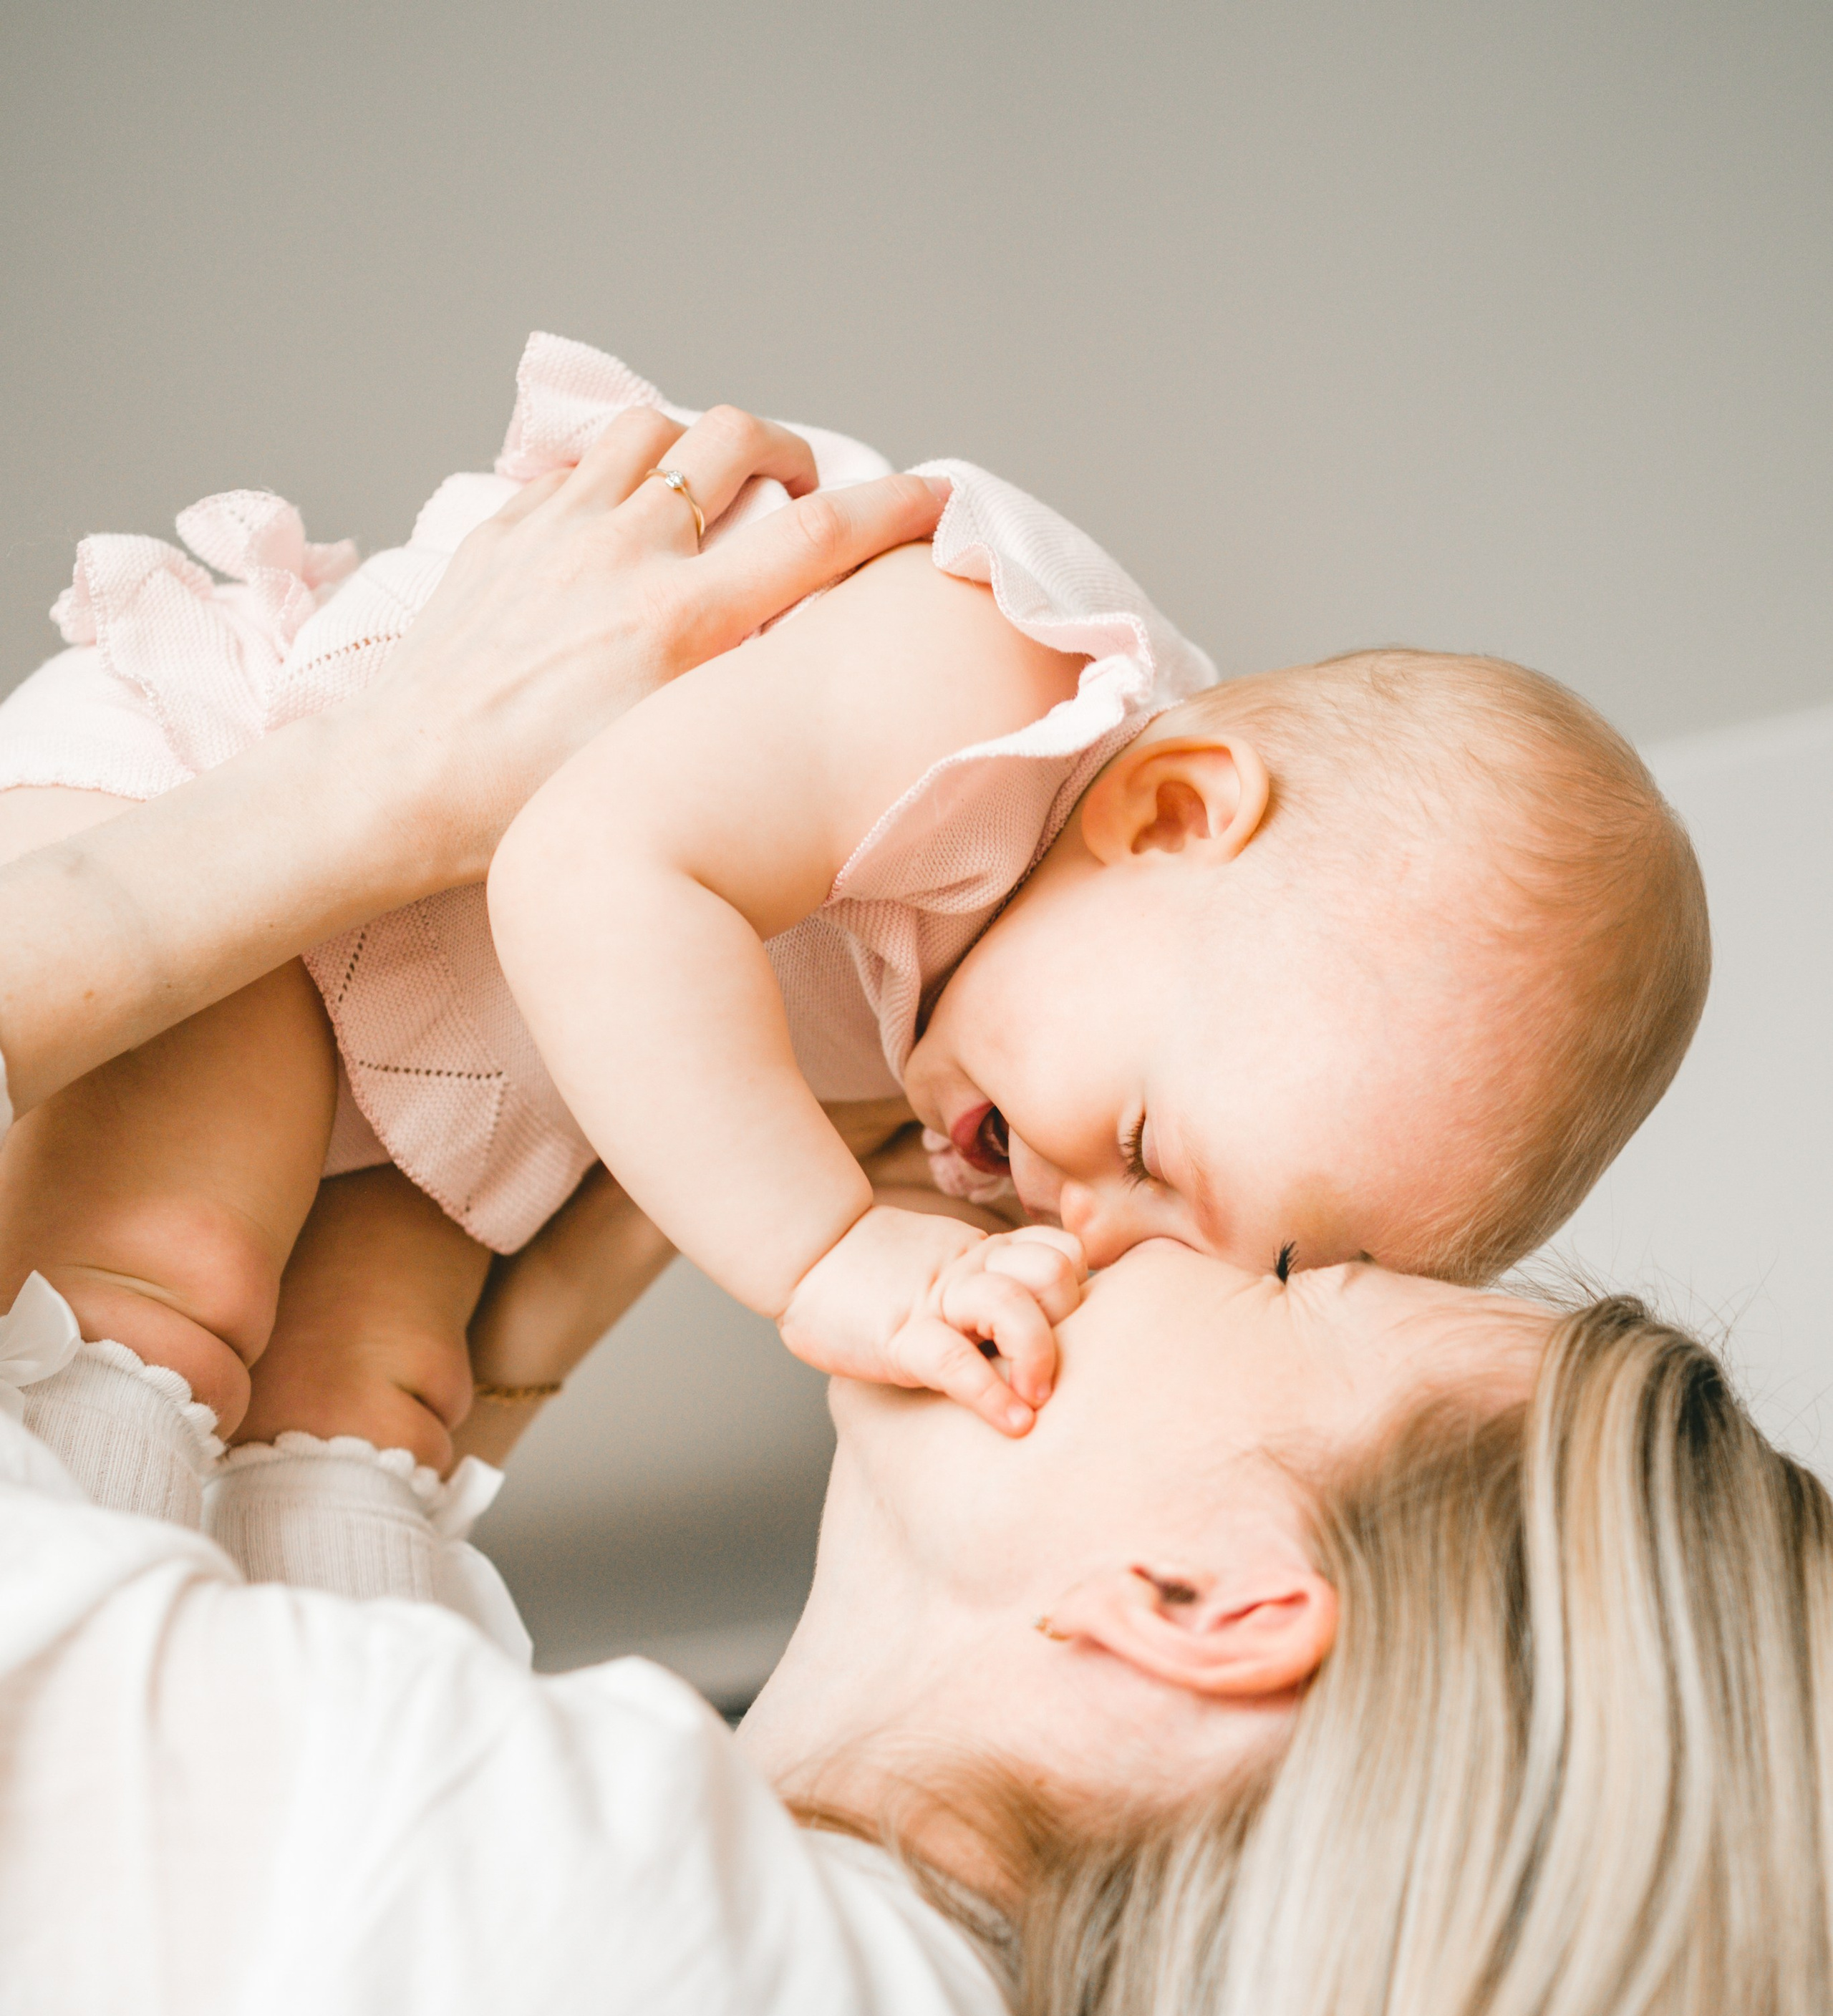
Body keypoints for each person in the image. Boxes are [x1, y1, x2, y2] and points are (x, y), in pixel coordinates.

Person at [1, 396, 1822, 2016]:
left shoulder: (641, 1968)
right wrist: (389, 1408)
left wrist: (338, 811)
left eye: (1268, 1272)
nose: (1079, 1222)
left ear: (1202, 1600)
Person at [0, 331, 1708, 1463]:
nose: (1088, 1224)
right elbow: (592, 866)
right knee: (178, 1276)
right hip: (237, 816)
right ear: (1171, 814)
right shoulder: (975, 676)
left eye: (1190, 1249)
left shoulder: (1010, 989)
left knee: (365, 1396)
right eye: (1134, 1150)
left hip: (446, 1055)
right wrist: (822, 1248)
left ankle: (311, 1744)